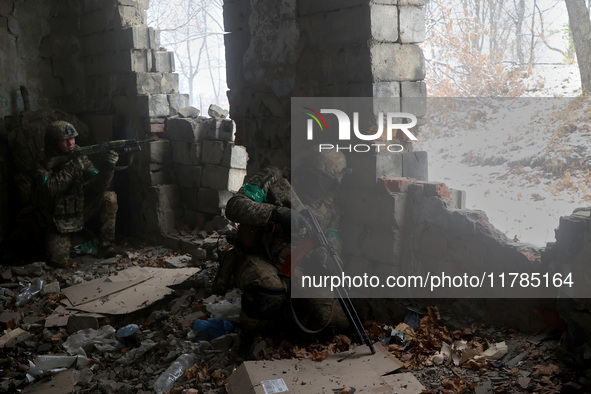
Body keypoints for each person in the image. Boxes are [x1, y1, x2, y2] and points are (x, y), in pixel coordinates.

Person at [222, 150, 351, 341]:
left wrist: (329, 260)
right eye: (315, 170)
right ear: (306, 165)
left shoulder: (330, 206)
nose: (318, 177)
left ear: (334, 181)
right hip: (259, 257)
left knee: (338, 320)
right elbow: (235, 206)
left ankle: (281, 324)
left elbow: (333, 240)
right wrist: (277, 214)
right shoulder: (274, 178)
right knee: (267, 292)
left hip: (297, 266)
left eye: (325, 176)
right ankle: (245, 342)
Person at [33, 120, 119, 267]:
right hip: (55, 219)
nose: (71, 142)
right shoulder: (42, 161)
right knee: (58, 261)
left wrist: (109, 167)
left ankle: (106, 245)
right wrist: (72, 168)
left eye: (72, 138)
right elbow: (48, 190)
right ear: (53, 142)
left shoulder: (79, 155)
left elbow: (99, 186)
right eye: (65, 140)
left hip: (79, 211)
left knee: (109, 198)